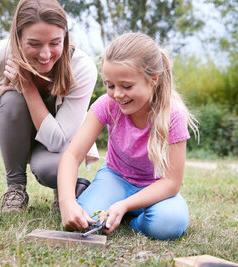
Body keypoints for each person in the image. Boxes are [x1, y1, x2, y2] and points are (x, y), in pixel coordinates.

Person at [57, 33, 198, 240]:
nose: (117, 94)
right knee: (86, 220)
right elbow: (72, 155)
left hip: (155, 188)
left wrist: (124, 205)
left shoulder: (173, 115)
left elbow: (171, 183)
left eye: (127, 86)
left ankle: (131, 217)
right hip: (115, 178)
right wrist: (67, 202)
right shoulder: (106, 105)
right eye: (110, 85)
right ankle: (109, 205)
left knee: (169, 224)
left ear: (153, 80)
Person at [0, 0, 98, 213]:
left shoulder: (82, 68)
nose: (45, 55)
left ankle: (64, 188)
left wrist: (26, 85)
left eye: (55, 43)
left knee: (51, 170)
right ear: (17, 39)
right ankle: (15, 189)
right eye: (34, 44)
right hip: (16, 135)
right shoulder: (6, 51)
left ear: (65, 37)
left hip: (60, 144)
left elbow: (57, 141)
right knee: (10, 99)